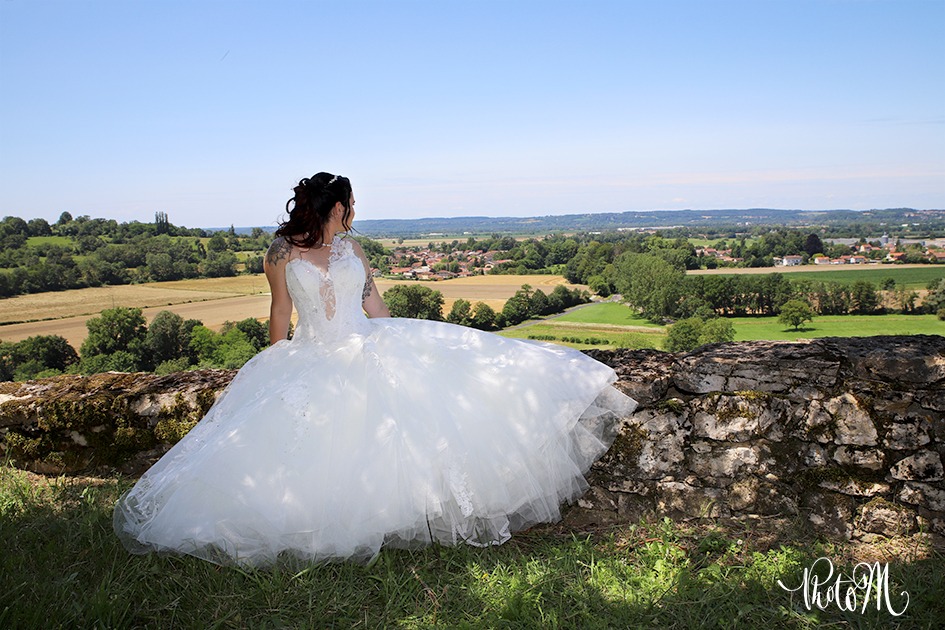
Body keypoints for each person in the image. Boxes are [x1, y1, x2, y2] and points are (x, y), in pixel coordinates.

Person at [113, 172, 637, 567]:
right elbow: (279, 312)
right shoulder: (279, 253)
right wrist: (274, 362)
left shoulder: (352, 249)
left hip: (365, 343)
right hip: (311, 353)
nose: (353, 213)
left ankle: (389, 516)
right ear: (338, 206)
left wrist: (409, 340)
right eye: (351, 205)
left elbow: (373, 304)